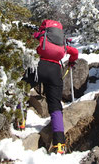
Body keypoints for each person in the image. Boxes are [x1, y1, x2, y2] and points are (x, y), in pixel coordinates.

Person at [33, 20, 78, 154]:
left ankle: (20, 120)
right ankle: (59, 143)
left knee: (21, 89)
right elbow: (74, 52)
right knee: (55, 105)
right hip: (55, 70)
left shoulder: (40, 36)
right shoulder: (61, 41)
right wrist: (71, 62)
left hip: (38, 65)